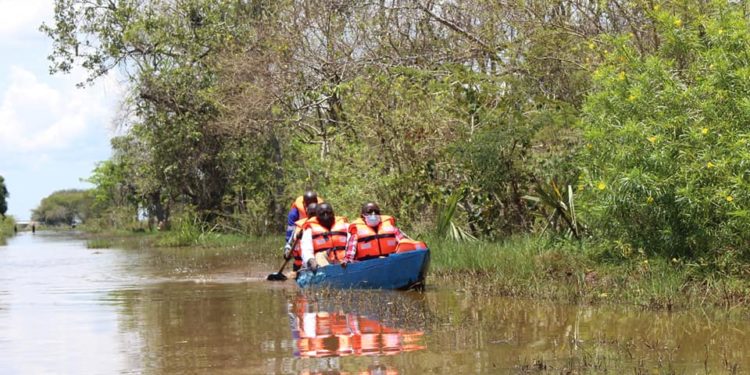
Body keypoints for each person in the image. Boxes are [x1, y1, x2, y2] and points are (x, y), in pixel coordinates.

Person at [300, 203, 349, 271]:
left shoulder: (346, 226)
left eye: (329, 213)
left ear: (333, 213)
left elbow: (353, 244)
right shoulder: (309, 231)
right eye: (322, 214)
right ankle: (328, 275)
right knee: (319, 256)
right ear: (317, 216)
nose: (326, 216)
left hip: (345, 262)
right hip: (323, 263)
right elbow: (306, 250)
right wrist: (311, 260)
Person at [284, 202, 318, 272]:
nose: (313, 217)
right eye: (311, 214)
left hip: (317, 263)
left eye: (315, 214)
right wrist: (287, 251)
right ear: (307, 213)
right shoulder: (299, 226)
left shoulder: (323, 227)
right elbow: (289, 243)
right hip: (299, 265)